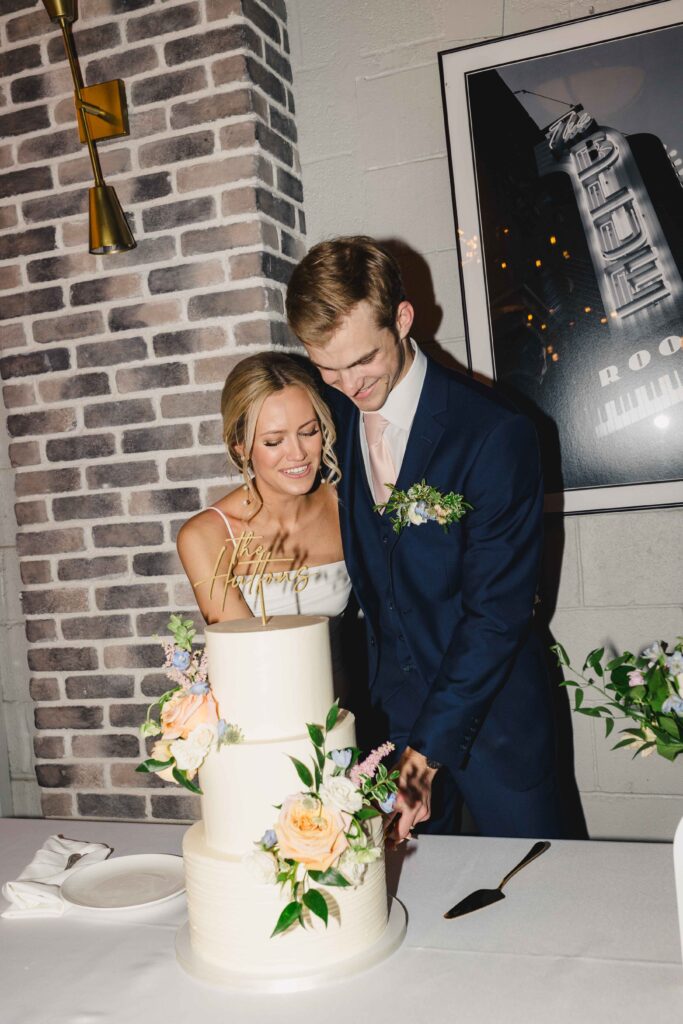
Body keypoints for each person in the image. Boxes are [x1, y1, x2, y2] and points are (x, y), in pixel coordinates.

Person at [286, 235, 567, 843]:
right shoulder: (332, 419)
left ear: (403, 319)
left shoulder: (494, 433)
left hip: (496, 727)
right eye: (327, 367)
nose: (348, 385)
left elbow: (497, 613)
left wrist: (427, 756)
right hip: (392, 728)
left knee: (539, 902)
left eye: (362, 360)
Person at [176, 353, 351, 632]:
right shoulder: (207, 536)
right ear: (241, 447)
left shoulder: (346, 505)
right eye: (274, 441)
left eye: (308, 432)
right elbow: (245, 654)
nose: (298, 454)